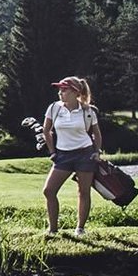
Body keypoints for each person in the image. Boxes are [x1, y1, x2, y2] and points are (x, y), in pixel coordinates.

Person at [40, 76, 103, 236]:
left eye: (64, 89)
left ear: (75, 92)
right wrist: (52, 152)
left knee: (83, 192)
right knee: (49, 191)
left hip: (85, 154)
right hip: (62, 155)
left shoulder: (88, 111)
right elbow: (46, 130)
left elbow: (96, 134)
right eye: (59, 89)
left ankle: (80, 229)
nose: (60, 93)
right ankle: (53, 230)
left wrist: (97, 152)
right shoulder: (54, 108)